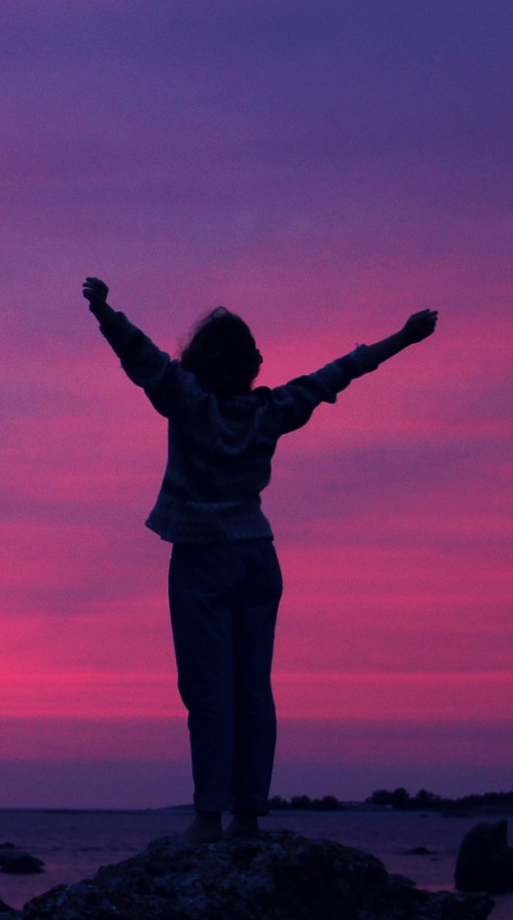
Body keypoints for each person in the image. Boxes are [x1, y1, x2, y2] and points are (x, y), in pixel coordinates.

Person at [82, 277, 438, 843]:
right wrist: (405, 337)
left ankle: (208, 818)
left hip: (203, 555)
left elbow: (141, 356)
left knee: (208, 691)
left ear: (199, 361)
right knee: (253, 688)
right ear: (249, 365)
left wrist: (104, 310)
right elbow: (338, 373)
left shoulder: (188, 401)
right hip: (257, 556)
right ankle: (248, 815)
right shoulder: (271, 410)